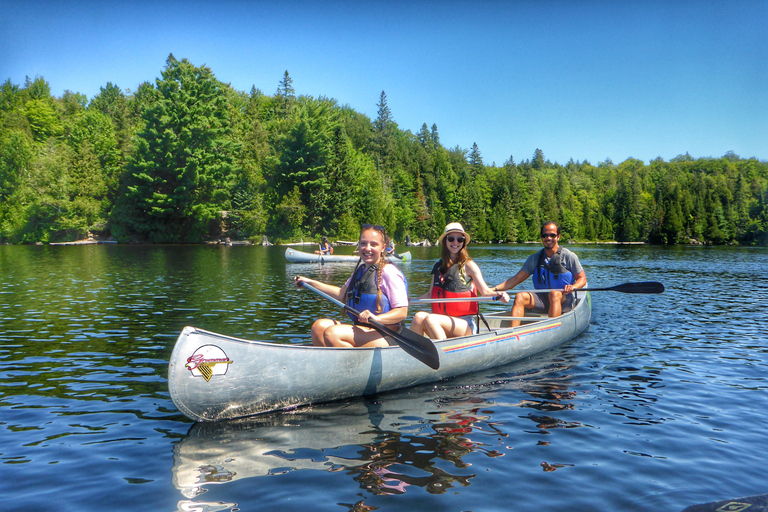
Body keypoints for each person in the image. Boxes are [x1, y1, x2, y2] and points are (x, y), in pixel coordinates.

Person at [294, 224, 408, 348]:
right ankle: (332, 363)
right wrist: (310, 282)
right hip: (364, 329)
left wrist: (376, 318)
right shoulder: (361, 270)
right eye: (363, 243)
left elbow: (402, 312)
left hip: (388, 335)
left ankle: (351, 366)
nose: (367, 248)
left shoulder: (390, 272)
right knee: (319, 327)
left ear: (383, 247)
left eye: (373, 244)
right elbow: (340, 294)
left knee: (333, 333)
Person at [410, 223, 509, 340]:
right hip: (441, 321)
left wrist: (501, 295)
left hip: (465, 324)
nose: (455, 243)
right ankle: (412, 354)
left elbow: (485, 292)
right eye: (451, 239)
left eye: (460, 239)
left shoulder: (469, 265)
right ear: (445, 241)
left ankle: (445, 354)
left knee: (431, 318)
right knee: (418, 317)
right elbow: (430, 294)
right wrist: (408, 302)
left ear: (463, 243)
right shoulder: (438, 267)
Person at [491, 222, 586, 326]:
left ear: (558, 237)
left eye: (552, 235)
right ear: (541, 237)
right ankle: (513, 333)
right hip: (542, 300)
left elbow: (582, 279)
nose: (548, 238)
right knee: (520, 296)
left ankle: (552, 329)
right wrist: (493, 289)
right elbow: (516, 279)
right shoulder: (535, 258)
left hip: (563, 299)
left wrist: (573, 286)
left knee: (554, 294)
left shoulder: (569, 256)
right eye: (545, 235)